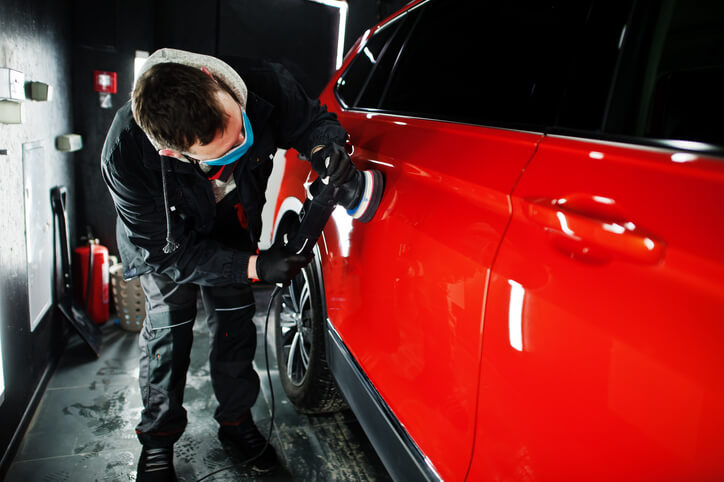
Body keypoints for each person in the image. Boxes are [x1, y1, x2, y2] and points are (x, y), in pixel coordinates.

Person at [101, 48, 354, 481]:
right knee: (167, 335)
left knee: (236, 326)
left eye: (241, 129)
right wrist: (255, 268)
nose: (243, 145)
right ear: (174, 154)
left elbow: (313, 122)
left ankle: (237, 425)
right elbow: (170, 254)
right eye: (224, 151)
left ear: (215, 82)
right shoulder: (127, 155)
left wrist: (324, 147)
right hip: (169, 241)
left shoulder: (263, 82)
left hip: (231, 221)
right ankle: (158, 442)